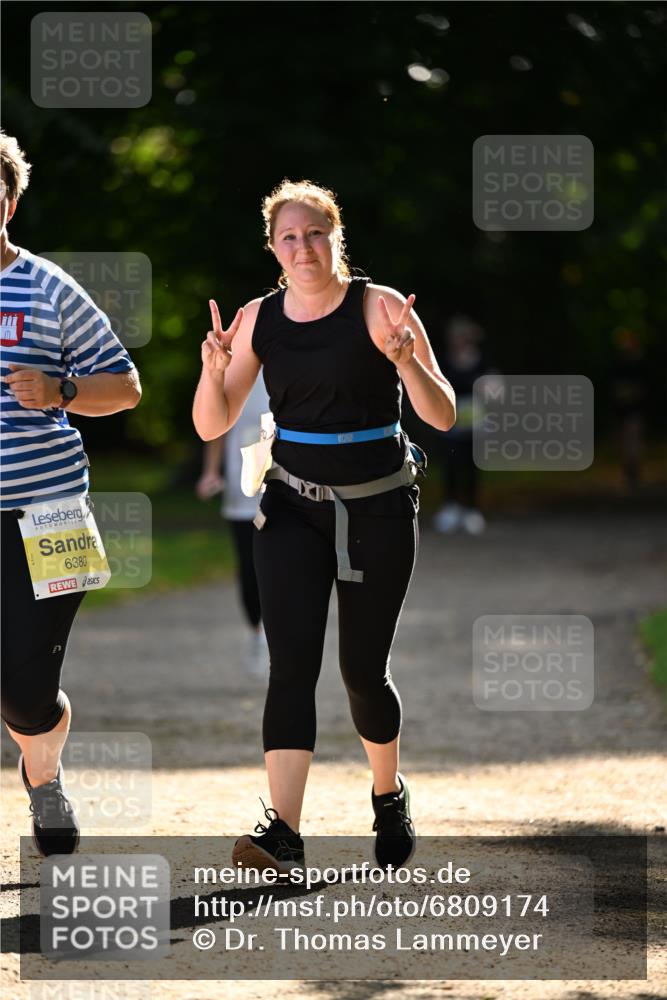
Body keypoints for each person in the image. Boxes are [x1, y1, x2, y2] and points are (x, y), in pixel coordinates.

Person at [193, 179, 455, 872]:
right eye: (289, 237)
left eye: (315, 233)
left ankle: (388, 792)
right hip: (291, 508)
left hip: (378, 506)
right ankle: (283, 832)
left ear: (337, 236)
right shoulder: (259, 318)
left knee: (362, 672)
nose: (303, 247)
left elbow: (442, 413)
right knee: (290, 667)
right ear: (272, 247)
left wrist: (406, 362)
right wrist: (213, 371)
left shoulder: (380, 307)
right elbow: (212, 423)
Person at [0, 131, 141, 856]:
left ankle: (43, 775)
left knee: (25, 689)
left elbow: (126, 387)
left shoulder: (50, 288)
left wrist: (62, 390)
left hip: (49, 511)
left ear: (9, 202)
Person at [196, 375, 271, 675]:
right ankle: (257, 632)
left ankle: (279, 638)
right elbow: (218, 422)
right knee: (250, 568)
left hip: (289, 488)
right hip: (243, 490)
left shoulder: (296, 358)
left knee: (287, 567)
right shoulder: (236, 365)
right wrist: (211, 471)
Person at [432, 315, 490, 535]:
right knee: (451, 465)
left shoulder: (481, 360)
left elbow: (491, 386)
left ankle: (472, 510)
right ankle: (451, 508)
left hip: (475, 424)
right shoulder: (443, 361)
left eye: (463, 336)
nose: (459, 341)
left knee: (472, 467)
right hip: (451, 423)